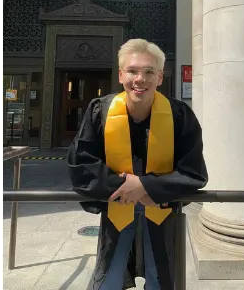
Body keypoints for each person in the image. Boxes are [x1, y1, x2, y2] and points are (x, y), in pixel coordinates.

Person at [67, 39, 208, 290]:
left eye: (149, 72)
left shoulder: (179, 115)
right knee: (109, 278)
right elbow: (82, 164)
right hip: (117, 208)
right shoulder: (100, 110)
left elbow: (193, 171)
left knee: (160, 279)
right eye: (132, 71)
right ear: (121, 75)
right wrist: (124, 187)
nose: (140, 79)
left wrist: (145, 186)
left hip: (161, 212)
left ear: (160, 77)